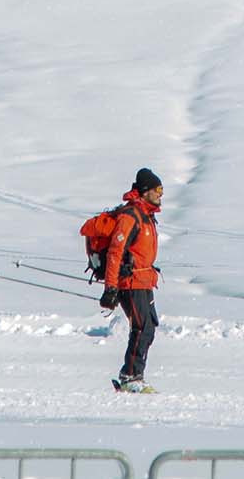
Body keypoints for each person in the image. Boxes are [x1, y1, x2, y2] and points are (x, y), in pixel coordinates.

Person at [82, 166, 162, 391]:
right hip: (129, 282)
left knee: (148, 327)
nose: (160, 194)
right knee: (142, 327)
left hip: (144, 280)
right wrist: (110, 288)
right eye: (157, 189)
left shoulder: (146, 215)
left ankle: (134, 375)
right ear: (145, 190)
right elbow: (115, 252)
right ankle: (130, 378)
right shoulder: (130, 216)